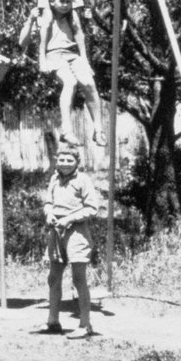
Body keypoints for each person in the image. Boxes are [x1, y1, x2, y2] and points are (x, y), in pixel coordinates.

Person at [19, 0, 104, 152]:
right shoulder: (46, 16)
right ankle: (67, 129)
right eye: (61, 1)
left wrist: (85, 60)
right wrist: (42, 59)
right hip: (54, 55)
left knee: (89, 83)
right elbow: (30, 41)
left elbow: (80, 35)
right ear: (52, 0)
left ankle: (98, 129)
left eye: (68, 1)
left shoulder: (72, 16)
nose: (65, 5)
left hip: (73, 54)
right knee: (70, 82)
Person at [41, 139, 105, 338]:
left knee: (79, 279)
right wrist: (49, 213)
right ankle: (53, 320)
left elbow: (92, 207)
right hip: (56, 232)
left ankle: (85, 324)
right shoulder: (54, 179)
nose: (65, 163)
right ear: (56, 161)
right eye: (61, 159)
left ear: (77, 162)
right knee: (53, 277)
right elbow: (48, 202)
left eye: (70, 160)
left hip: (76, 232)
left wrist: (69, 219)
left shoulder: (83, 180)